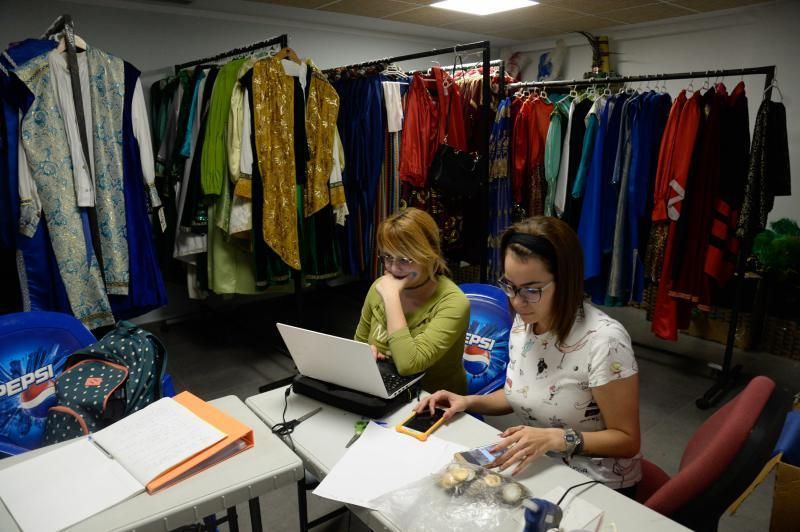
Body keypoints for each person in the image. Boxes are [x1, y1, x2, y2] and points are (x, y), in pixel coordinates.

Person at [416, 216, 641, 494]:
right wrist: (468, 401)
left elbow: (627, 440)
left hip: (598, 483)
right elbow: (522, 393)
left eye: (532, 290)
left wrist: (558, 439)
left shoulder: (604, 341)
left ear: (566, 281)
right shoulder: (526, 320)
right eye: (509, 286)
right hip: (542, 467)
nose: (516, 301)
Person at [355, 208, 469, 394]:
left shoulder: (453, 302)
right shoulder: (380, 287)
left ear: (429, 255)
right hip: (382, 392)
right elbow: (358, 343)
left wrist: (392, 298)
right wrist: (365, 355)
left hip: (433, 404)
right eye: (387, 257)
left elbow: (409, 365)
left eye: (405, 260)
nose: (393, 268)